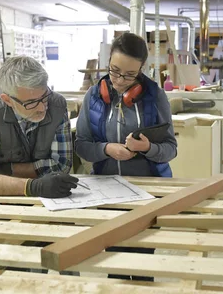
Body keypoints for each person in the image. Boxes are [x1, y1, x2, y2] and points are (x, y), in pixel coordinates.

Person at [75, 32, 177, 281]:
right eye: (114, 70)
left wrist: (147, 149)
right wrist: (106, 149)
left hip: (149, 191)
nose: (120, 80)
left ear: (142, 69)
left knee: (142, 262)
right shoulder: (93, 97)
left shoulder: (155, 97)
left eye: (130, 74)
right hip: (108, 190)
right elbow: (81, 145)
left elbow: (171, 148)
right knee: (115, 260)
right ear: (108, 60)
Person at [0, 55, 79, 198]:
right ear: (8, 100)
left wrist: (0, 171)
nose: (42, 108)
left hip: (43, 196)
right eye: (31, 103)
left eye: (44, 97)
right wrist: (33, 186)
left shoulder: (57, 105)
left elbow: (61, 165)